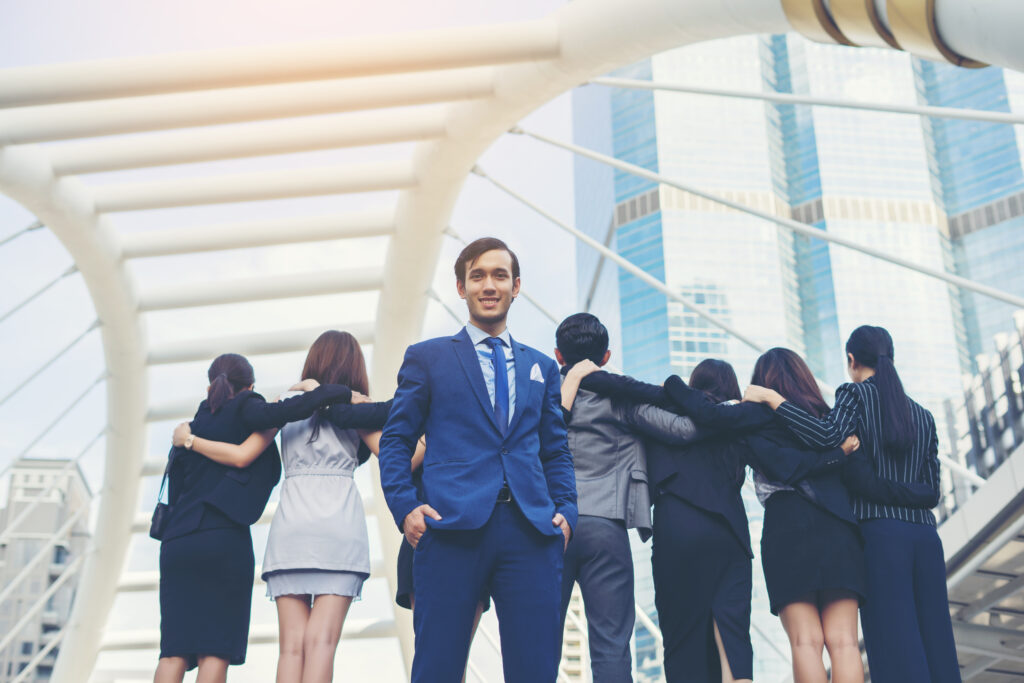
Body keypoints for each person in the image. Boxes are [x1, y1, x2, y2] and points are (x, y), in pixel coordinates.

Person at [379, 236, 577, 683]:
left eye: (500, 275)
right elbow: (395, 441)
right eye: (478, 275)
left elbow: (555, 449)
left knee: (536, 672)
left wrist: (566, 511)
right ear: (461, 287)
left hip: (532, 531)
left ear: (517, 286)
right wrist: (405, 507)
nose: (489, 284)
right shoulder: (427, 358)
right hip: (449, 529)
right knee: (436, 669)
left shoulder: (542, 367)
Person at [745, 326, 959, 682]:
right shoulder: (924, 416)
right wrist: (906, 497)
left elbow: (830, 441)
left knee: (889, 645)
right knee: (936, 642)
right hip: (924, 537)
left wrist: (773, 400)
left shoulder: (853, 396)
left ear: (851, 360)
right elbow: (930, 492)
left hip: (877, 535)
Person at [662, 349, 864, 683]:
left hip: (787, 526)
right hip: (838, 528)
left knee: (805, 642)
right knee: (844, 644)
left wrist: (673, 385)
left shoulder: (755, 417)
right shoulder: (827, 418)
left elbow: (708, 414)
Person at [155, 353, 350, 683]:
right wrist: (334, 392)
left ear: (209, 387)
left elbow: (176, 492)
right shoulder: (247, 407)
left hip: (176, 545)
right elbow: (289, 412)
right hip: (221, 540)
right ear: (249, 386)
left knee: (173, 651)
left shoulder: (191, 427)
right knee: (213, 650)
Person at [554, 313, 705, 682]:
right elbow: (684, 430)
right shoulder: (621, 400)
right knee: (611, 647)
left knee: (539, 640)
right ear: (606, 358)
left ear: (558, 356)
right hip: (606, 525)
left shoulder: (540, 397)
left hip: (550, 529)